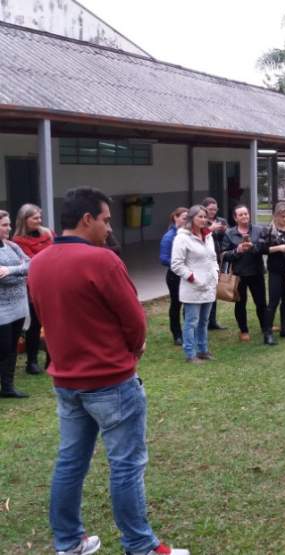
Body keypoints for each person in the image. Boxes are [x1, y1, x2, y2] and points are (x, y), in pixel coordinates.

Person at [29, 187, 188, 555]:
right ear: (87, 219)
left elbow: (45, 317)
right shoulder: (102, 261)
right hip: (110, 381)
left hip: (66, 381)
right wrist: (133, 350)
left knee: (70, 462)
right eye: (105, 220)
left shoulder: (38, 263)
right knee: (127, 466)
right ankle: (141, 546)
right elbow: (135, 320)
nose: (108, 227)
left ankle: (68, 543)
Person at [170, 205, 219, 363]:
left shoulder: (208, 236)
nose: (203, 220)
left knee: (204, 321)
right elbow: (176, 264)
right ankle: (190, 353)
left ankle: (203, 350)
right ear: (191, 218)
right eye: (200, 216)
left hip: (209, 285)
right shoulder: (182, 238)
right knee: (192, 321)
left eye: (205, 217)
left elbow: (212, 257)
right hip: (193, 286)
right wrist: (193, 278)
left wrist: (216, 273)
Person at [12, 203, 54, 373]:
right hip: (34, 286)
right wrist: (51, 258)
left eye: (39, 217)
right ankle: (32, 362)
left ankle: (53, 360)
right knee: (35, 324)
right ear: (25, 220)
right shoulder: (18, 241)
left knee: (53, 322)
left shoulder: (48, 233)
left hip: (53, 282)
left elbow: (59, 250)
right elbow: (31, 262)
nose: (39, 220)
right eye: (35, 217)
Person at [221, 205, 269, 343]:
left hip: (256, 272)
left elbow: (265, 248)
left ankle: (265, 328)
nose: (244, 217)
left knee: (261, 302)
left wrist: (254, 247)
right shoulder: (229, 233)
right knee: (240, 304)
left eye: (246, 214)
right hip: (239, 274)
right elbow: (224, 254)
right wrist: (237, 251)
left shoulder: (259, 230)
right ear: (235, 218)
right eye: (240, 215)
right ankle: (244, 330)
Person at [257, 202, 285, 342]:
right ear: (275, 215)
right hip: (275, 270)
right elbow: (260, 249)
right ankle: (268, 333)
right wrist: (279, 248)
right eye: (282, 216)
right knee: (273, 301)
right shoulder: (268, 229)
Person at [0, 210, 30, 398]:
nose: (9, 228)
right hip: (2, 309)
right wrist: (20, 273)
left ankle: (8, 387)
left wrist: (10, 270)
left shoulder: (12, 245)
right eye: (4, 225)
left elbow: (30, 265)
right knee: (2, 348)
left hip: (19, 306)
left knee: (12, 348)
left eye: (9, 224)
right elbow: (5, 280)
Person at [158, 207, 187, 347]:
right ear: (175, 218)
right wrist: (180, 264)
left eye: (188, 218)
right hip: (175, 276)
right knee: (176, 304)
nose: (186, 220)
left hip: (188, 275)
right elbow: (163, 258)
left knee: (190, 303)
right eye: (183, 217)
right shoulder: (169, 236)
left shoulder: (190, 234)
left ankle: (189, 332)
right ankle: (177, 334)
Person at [201, 197, 228, 331]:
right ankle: (203, 321)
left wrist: (224, 231)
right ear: (204, 208)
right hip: (205, 260)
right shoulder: (201, 221)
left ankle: (212, 321)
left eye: (215, 209)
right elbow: (201, 237)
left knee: (214, 290)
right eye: (210, 209)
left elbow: (227, 238)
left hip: (218, 259)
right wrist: (211, 229)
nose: (213, 211)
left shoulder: (221, 221)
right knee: (204, 290)